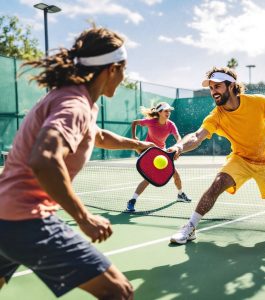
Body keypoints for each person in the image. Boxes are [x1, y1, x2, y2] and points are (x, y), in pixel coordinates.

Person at [0, 27, 155, 299]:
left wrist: (138, 144)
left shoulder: (72, 98)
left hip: (4, 215)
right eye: (123, 69)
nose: (124, 77)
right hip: (26, 220)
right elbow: (45, 159)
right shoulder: (75, 104)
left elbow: (99, 135)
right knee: (119, 291)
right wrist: (83, 218)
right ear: (112, 69)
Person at [169, 67, 265, 244]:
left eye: (218, 86)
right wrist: (179, 147)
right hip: (240, 159)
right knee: (218, 183)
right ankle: (190, 227)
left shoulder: (258, 102)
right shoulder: (216, 116)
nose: (213, 91)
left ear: (231, 86)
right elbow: (196, 136)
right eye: (211, 88)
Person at [126, 102, 191, 212]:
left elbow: (178, 137)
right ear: (159, 112)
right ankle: (132, 201)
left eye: (169, 111)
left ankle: (180, 194)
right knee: (148, 178)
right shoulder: (150, 122)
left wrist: (177, 147)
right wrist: (134, 137)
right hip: (148, 151)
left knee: (175, 174)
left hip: (161, 152)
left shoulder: (171, 125)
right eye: (166, 111)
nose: (168, 113)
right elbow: (134, 123)